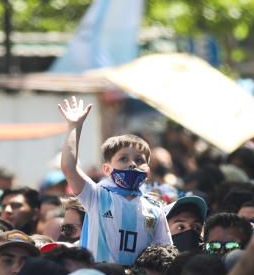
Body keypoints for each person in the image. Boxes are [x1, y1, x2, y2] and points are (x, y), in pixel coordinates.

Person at [59, 97, 171, 264]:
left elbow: (165, 253)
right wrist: (75, 126)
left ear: (147, 170)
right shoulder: (96, 196)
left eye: (139, 160)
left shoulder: (155, 209)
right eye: (123, 159)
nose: (132, 164)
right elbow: (69, 166)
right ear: (106, 169)